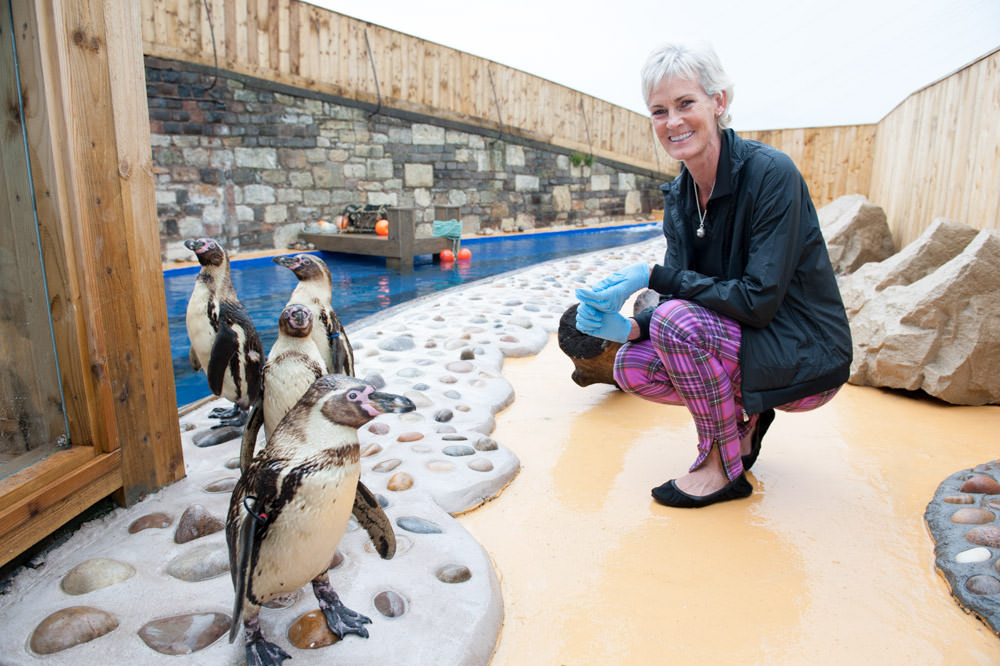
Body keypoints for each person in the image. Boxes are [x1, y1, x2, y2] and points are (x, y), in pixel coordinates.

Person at [575, 42, 852, 508]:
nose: (673, 121)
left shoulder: (770, 174)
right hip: (747, 343)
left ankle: (721, 465)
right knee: (631, 365)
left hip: (806, 348)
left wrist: (650, 274)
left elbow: (756, 301)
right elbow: (692, 297)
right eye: (659, 111)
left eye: (686, 103)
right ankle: (744, 425)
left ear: (718, 102)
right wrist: (627, 327)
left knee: (674, 323)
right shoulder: (680, 198)